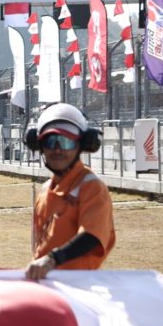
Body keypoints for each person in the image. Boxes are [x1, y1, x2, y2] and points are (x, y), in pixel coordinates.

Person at [24, 103, 116, 280]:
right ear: (39, 146)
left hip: (78, 284)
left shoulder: (92, 187)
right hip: (46, 281)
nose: (58, 149)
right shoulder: (45, 190)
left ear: (82, 145)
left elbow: (91, 237)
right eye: (50, 142)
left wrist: (53, 259)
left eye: (66, 142)